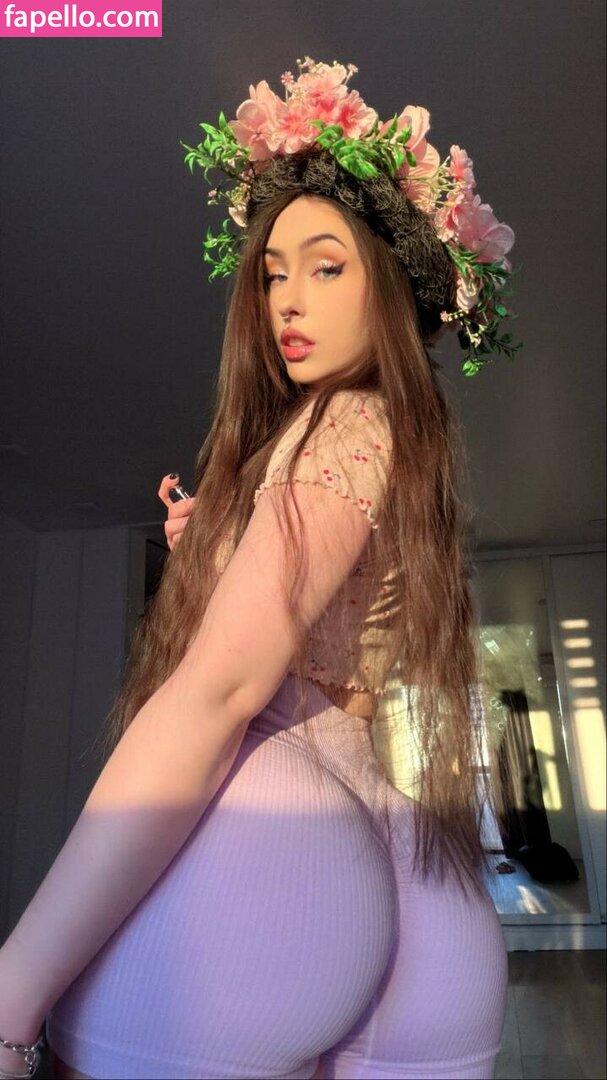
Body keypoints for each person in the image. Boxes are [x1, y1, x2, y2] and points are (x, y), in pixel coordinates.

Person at [0, 56, 521, 1080]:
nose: (285, 298)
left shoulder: (341, 421)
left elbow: (222, 689)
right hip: (417, 881)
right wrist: (224, 547)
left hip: (284, 839)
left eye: (325, 267)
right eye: (274, 271)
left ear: (396, 286)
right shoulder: (400, 436)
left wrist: (12, 991)